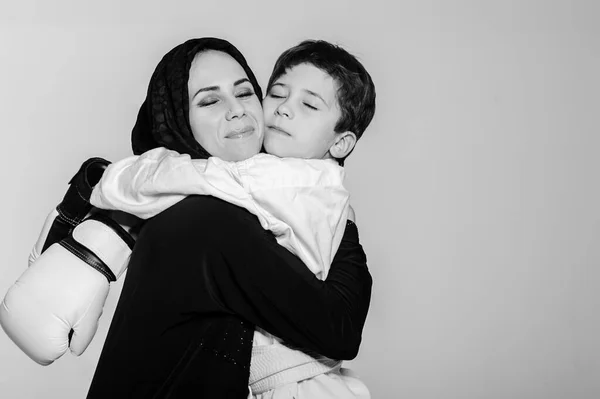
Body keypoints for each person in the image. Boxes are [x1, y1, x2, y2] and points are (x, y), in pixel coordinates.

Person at [1, 38, 374, 398]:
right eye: (210, 100)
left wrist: (102, 194)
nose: (238, 110)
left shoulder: (213, 206)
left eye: (245, 92)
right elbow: (339, 327)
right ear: (178, 119)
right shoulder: (210, 221)